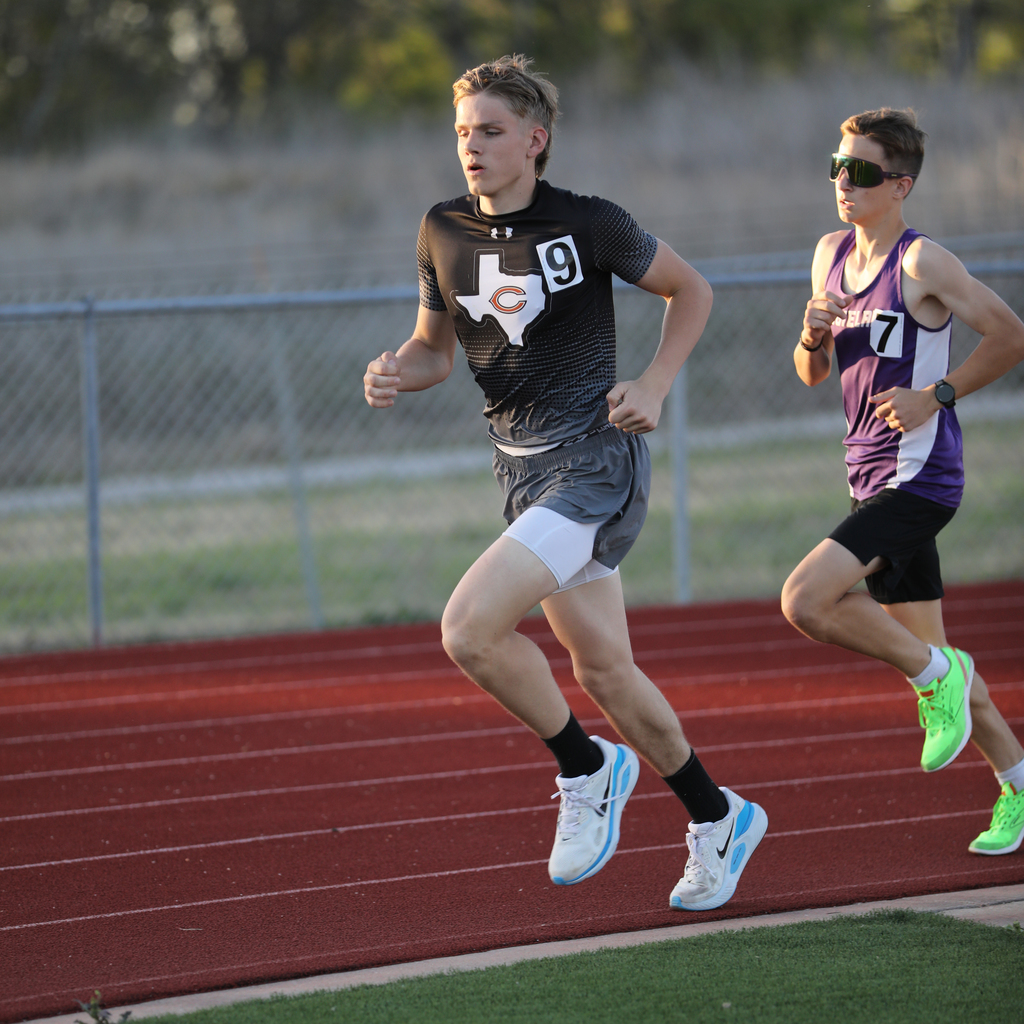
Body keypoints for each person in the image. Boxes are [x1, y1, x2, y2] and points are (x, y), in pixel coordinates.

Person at [363, 54, 767, 910]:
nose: (472, 146)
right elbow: (436, 346)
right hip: (518, 470)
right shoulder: (441, 227)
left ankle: (586, 768)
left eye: (492, 131)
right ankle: (716, 816)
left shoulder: (590, 223)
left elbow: (689, 290)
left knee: (470, 629)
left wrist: (654, 383)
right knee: (608, 673)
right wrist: (397, 370)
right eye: (464, 131)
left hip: (592, 460)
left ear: (535, 140)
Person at [782, 107, 1024, 856]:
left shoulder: (922, 263)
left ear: (901, 184)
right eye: (836, 167)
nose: (843, 185)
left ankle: (935, 677)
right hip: (865, 474)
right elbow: (812, 373)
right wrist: (811, 333)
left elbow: (1011, 334)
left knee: (806, 600)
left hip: (921, 479)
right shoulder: (828, 255)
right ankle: (1018, 783)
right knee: (941, 658)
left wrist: (938, 395)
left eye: (861, 173)